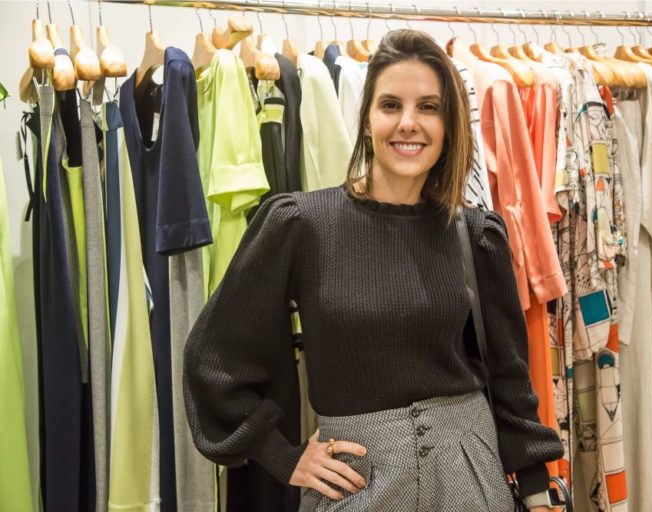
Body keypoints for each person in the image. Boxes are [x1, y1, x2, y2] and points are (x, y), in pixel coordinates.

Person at [184, 29, 564, 511]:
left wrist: (537, 493)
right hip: (356, 482)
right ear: (366, 119)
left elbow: (511, 380)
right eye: (390, 105)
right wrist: (281, 455)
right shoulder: (302, 225)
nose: (409, 123)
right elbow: (212, 358)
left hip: (470, 476)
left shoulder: (475, 234)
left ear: (449, 125)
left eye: (429, 107)